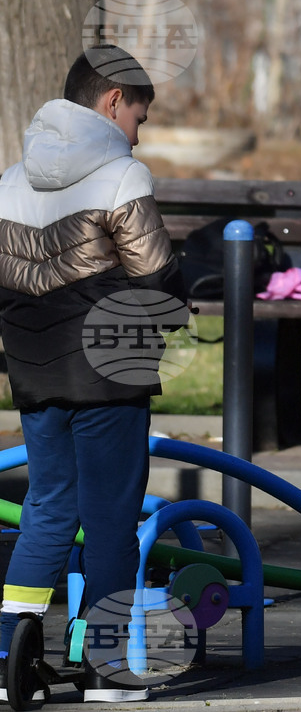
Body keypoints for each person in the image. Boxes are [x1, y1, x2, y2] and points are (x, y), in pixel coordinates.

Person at [0, 45, 186, 703]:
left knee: (47, 507)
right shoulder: (121, 175)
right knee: (111, 518)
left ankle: (9, 656)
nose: (140, 130)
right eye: (140, 114)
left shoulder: (11, 178)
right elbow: (155, 276)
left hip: (33, 366)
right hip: (109, 369)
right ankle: (105, 667)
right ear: (113, 102)